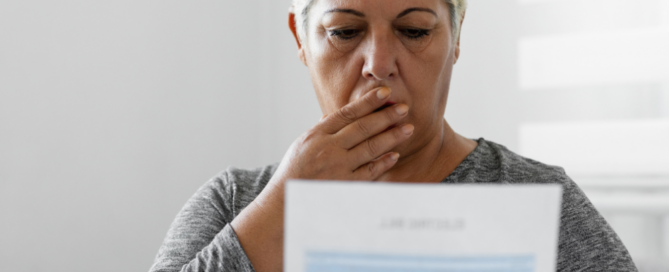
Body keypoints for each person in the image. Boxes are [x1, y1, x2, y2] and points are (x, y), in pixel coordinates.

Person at [149, 0, 638, 271]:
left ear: (457, 37)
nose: (379, 64)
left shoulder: (540, 203)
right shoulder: (233, 203)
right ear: (301, 38)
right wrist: (282, 212)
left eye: (414, 30)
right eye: (344, 31)